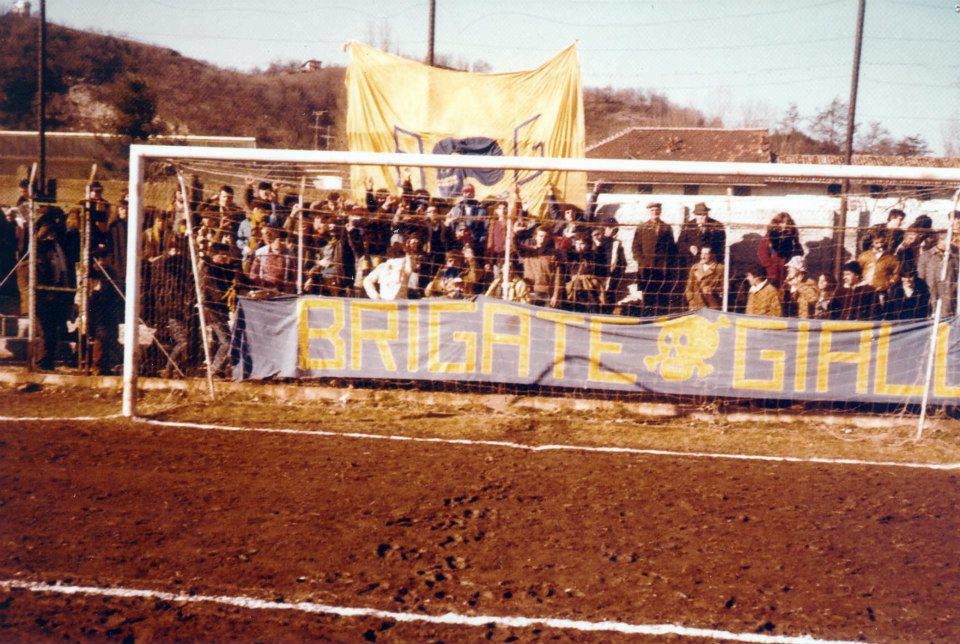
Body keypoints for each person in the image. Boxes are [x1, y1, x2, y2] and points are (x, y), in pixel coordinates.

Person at [34, 221, 74, 371]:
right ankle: (43, 360)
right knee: (45, 330)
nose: (51, 237)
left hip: (57, 293)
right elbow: (41, 270)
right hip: (44, 295)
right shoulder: (39, 249)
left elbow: (63, 270)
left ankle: (48, 360)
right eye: (48, 234)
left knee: (53, 329)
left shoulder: (57, 248)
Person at [631, 202, 678, 315]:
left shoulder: (666, 228)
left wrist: (669, 264)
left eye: (657, 210)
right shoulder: (642, 227)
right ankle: (647, 317)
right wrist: (641, 262)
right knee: (648, 295)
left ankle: (662, 317)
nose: (655, 212)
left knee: (663, 296)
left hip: (663, 269)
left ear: (660, 211)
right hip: (647, 269)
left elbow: (672, 248)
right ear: (649, 212)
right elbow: (635, 247)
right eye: (652, 210)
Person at [515, 223, 562, 307]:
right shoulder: (527, 251)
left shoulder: (554, 255)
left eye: (546, 237)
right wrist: (515, 233)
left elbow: (558, 277)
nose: (543, 239)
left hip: (546, 293)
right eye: (540, 236)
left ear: (549, 238)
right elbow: (514, 245)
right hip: (528, 290)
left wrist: (556, 295)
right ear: (535, 236)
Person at [918, 230, 958, 317]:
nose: (952, 243)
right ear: (941, 240)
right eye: (951, 240)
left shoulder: (955, 257)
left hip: (949, 301)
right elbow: (921, 277)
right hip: (931, 299)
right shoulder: (926, 255)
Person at [758, 212, 802, 288]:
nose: (785, 225)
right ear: (777, 223)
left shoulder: (792, 236)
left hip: (788, 268)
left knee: (787, 288)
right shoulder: (770, 236)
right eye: (782, 222)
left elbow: (798, 251)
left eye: (787, 223)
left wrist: (794, 265)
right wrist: (769, 266)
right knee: (773, 288)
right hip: (773, 269)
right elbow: (762, 252)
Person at [676, 202, 725, 268]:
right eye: (698, 215)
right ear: (695, 215)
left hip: (711, 263)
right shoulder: (688, 226)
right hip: (692, 263)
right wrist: (689, 247)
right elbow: (680, 243)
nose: (701, 217)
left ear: (707, 214)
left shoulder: (716, 225)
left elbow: (721, 246)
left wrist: (710, 252)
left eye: (703, 215)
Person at [857, 234, 900, 303]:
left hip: (882, 291)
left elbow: (896, 273)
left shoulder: (891, 258)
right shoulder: (864, 256)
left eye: (881, 242)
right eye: (877, 243)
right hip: (865, 290)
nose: (879, 245)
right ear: (872, 243)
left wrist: (889, 283)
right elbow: (857, 271)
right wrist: (860, 282)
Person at [684, 246, 723, 310]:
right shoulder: (695, 267)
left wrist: (712, 290)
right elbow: (689, 287)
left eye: (706, 254)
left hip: (711, 305)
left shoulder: (720, 268)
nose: (703, 257)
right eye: (702, 254)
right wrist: (691, 301)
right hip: (695, 305)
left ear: (712, 255)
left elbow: (724, 288)